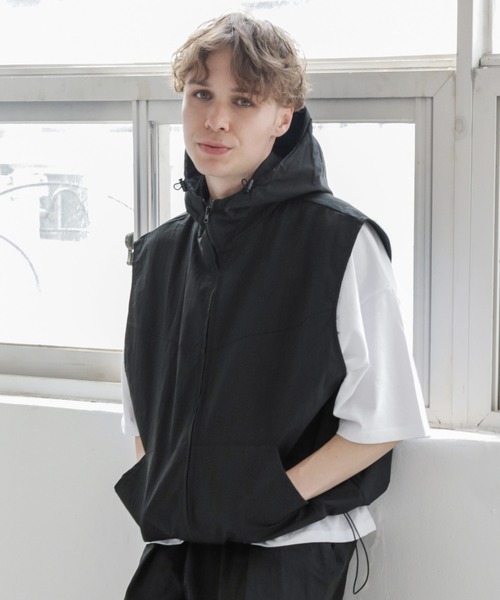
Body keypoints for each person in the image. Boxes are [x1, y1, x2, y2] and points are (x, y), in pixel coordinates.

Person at [115, 12, 429, 600]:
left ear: (283, 117)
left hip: (287, 551)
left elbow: (385, 416)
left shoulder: (340, 240)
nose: (216, 119)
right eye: (201, 94)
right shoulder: (158, 254)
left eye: (243, 101)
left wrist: (268, 498)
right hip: (176, 544)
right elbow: (141, 411)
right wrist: (172, 493)